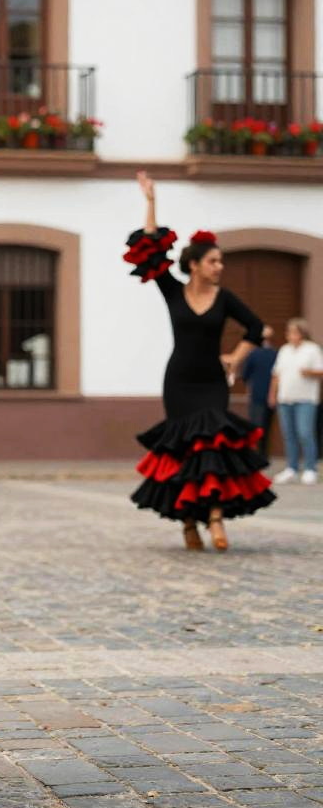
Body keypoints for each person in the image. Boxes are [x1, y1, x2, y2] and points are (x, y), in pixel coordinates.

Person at [124, 172, 274, 551]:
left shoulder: (225, 298)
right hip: (178, 383)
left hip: (210, 382)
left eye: (221, 261)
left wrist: (235, 360)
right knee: (182, 453)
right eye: (214, 261)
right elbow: (152, 252)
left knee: (211, 448)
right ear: (194, 264)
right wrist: (151, 202)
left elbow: (257, 327)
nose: (220, 267)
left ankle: (216, 518)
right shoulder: (172, 290)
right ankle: (189, 523)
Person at [268, 317, 323, 485]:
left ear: (302, 333)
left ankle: (310, 469)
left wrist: (309, 373)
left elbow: (321, 372)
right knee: (289, 435)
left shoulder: (312, 349)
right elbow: (276, 375)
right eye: (288, 332)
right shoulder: (284, 350)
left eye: (293, 332)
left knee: (305, 433)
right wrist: (272, 394)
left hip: (305, 399)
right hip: (285, 398)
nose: (290, 335)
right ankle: (291, 468)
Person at [241, 324, 277, 446]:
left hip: (258, 395)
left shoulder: (254, 354)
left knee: (256, 427)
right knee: (266, 428)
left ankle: (258, 455)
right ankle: (263, 454)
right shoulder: (276, 353)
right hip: (270, 396)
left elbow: (245, 374)